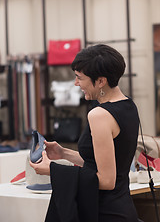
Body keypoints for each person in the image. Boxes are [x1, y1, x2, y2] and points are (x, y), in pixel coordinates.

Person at [30, 44, 140, 221]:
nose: (76, 83)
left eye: (79, 78)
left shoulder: (99, 115)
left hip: (103, 212)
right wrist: (63, 153)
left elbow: (106, 180)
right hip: (121, 208)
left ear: (101, 81)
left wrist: (53, 169)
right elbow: (102, 164)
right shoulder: (128, 105)